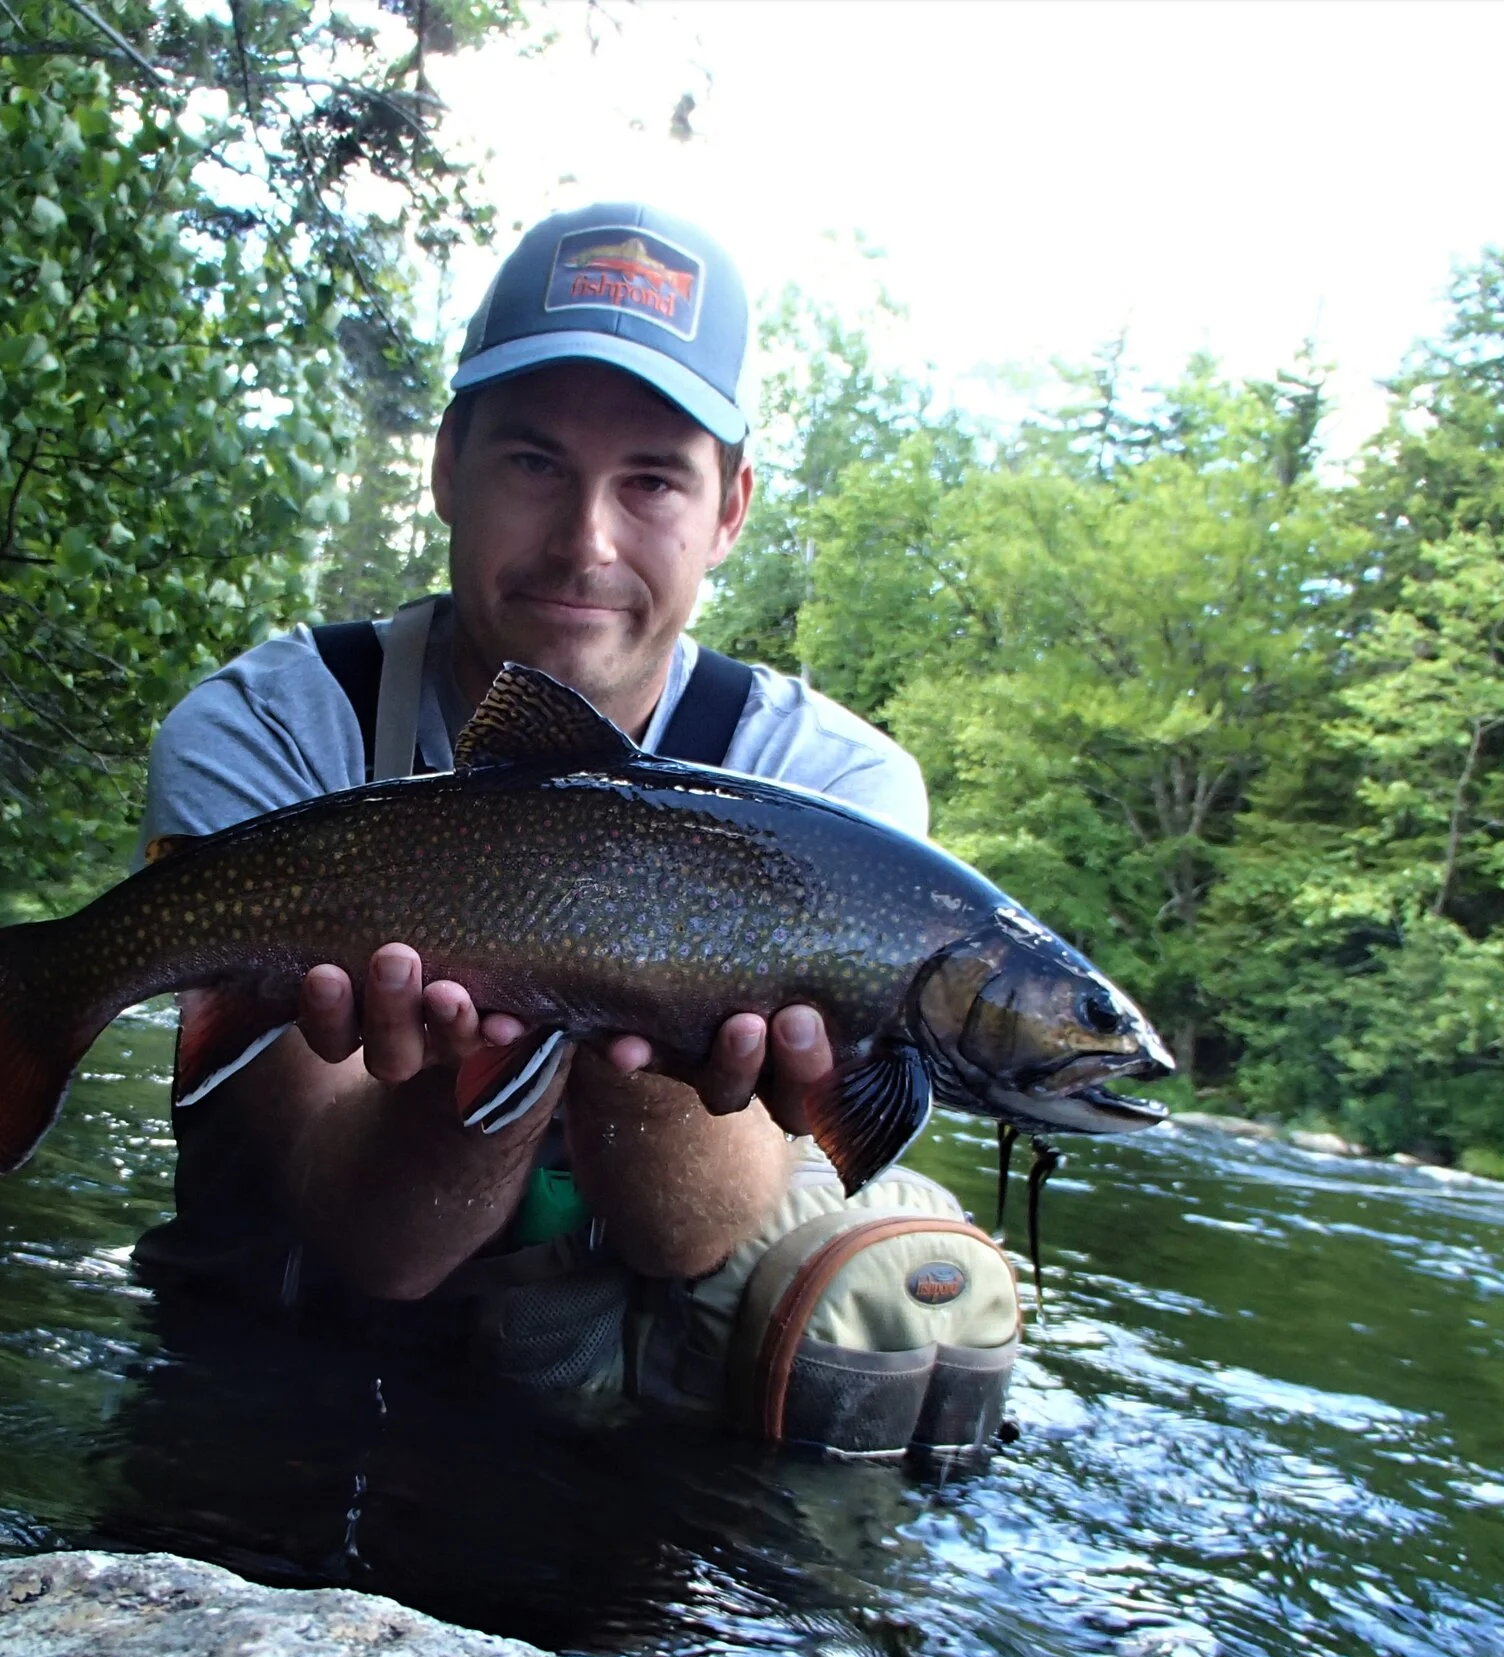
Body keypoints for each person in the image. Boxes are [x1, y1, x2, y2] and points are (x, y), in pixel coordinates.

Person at [132, 205, 1019, 1466]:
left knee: (884, 1268)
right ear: (447, 464)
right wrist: (479, 1062)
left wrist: (622, 1015)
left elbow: (685, 1240)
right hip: (273, 1364)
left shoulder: (834, 793)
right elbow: (376, 1248)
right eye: (534, 463)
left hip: (597, 1416)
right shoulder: (273, 732)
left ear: (729, 511)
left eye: (652, 479)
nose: (585, 541)